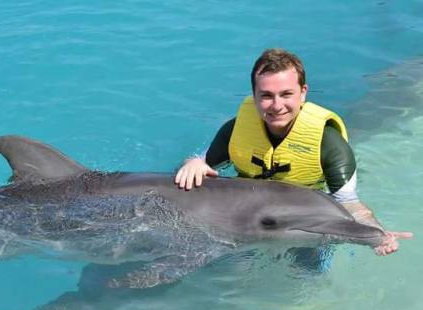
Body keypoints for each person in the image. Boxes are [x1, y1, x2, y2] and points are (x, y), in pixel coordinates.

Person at [175, 48, 412, 256]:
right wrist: (194, 162)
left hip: (308, 211)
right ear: (254, 97)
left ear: (303, 92)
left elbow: (349, 203)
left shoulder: (328, 144)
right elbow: (203, 163)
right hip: (247, 215)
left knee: (311, 274)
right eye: (266, 96)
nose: (277, 106)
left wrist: (375, 234)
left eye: (286, 94)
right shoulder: (237, 129)